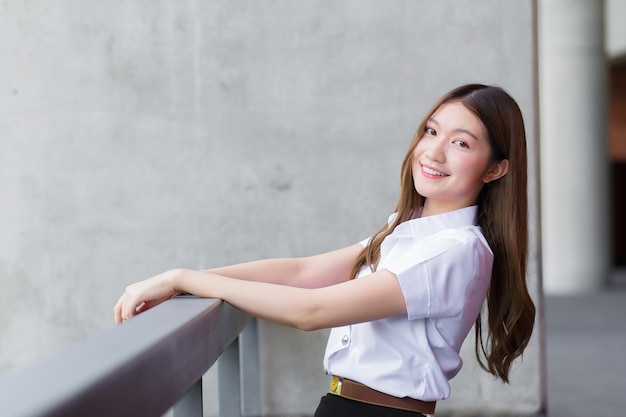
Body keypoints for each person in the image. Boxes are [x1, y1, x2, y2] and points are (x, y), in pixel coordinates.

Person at [114, 83, 536, 417]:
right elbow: (302, 272)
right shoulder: (405, 229)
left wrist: (184, 279)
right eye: (431, 131)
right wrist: (186, 278)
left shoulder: (455, 251)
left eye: (461, 143)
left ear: (496, 169)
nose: (434, 151)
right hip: (345, 404)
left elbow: (310, 311)